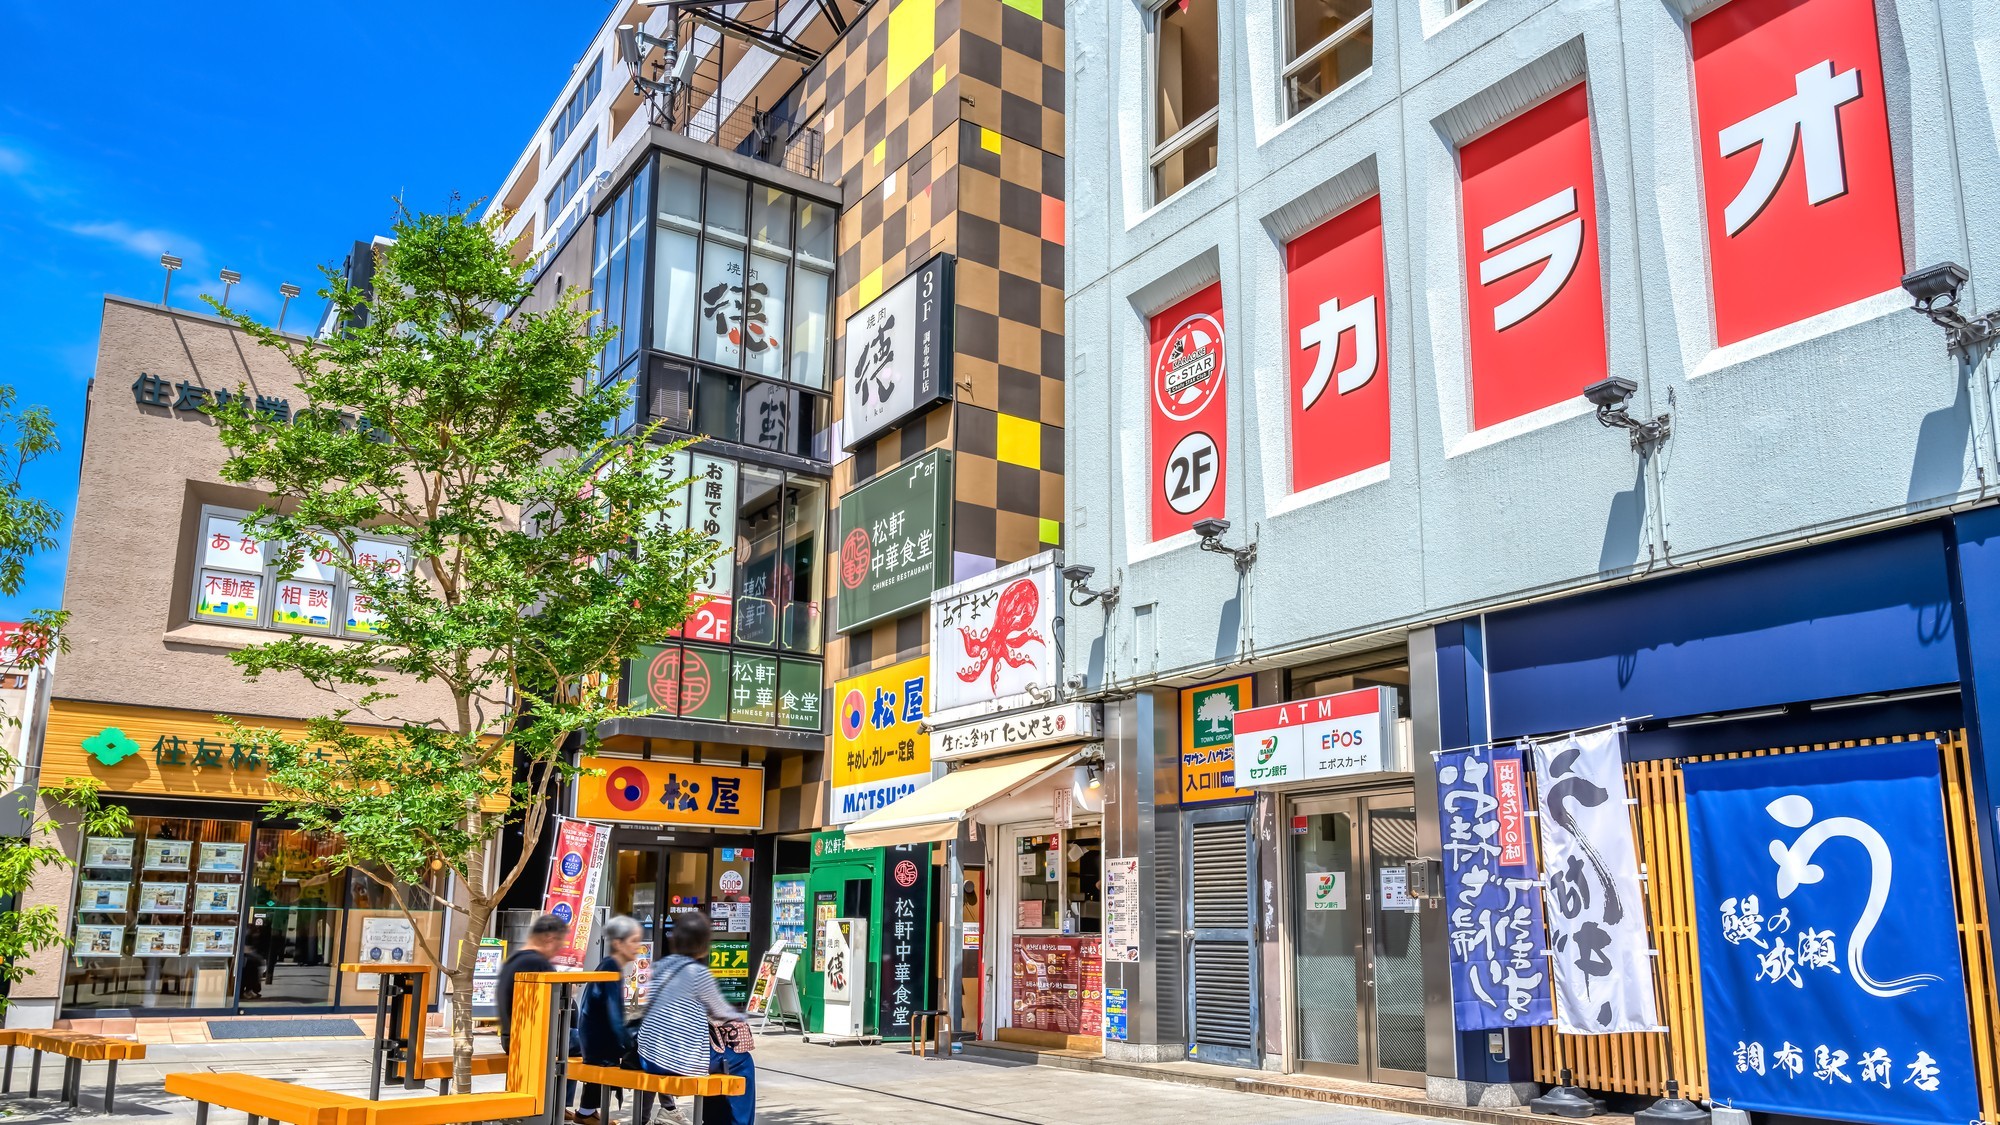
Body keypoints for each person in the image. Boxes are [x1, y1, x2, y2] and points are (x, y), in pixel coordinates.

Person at [636, 912, 755, 1125]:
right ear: (703, 944)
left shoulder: (659, 967)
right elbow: (721, 1011)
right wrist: (742, 1015)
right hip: (678, 1060)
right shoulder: (698, 973)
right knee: (741, 1061)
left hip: (648, 1057)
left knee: (718, 1061)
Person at [571, 916, 644, 1123]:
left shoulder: (608, 965)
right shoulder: (611, 968)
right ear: (618, 943)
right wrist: (631, 1042)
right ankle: (655, 1113)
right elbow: (614, 1017)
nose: (637, 947)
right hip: (599, 1046)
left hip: (593, 1041)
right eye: (633, 941)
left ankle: (586, 1111)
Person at [496, 912, 569, 1050]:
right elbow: (555, 1011)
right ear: (549, 938)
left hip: (510, 1039)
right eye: (560, 941)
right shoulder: (538, 964)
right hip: (532, 1041)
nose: (560, 948)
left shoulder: (513, 960)